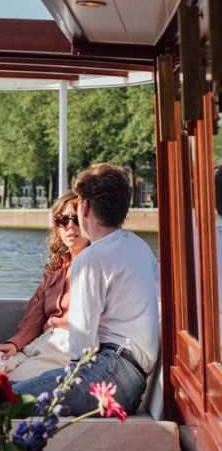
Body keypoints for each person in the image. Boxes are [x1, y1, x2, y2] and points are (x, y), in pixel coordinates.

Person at [13, 163, 160, 415]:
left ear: (84, 207)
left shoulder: (90, 259)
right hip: (133, 382)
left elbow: (83, 347)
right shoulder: (140, 247)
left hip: (108, 374)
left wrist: (65, 378)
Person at [0, 191, 89, 381]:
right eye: (63, 220)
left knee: (5, 384)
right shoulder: (55, 268)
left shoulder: (98, 267)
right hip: (37, 343)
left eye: (77, 219)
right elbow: (35, 316)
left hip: (66, 349)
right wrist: (14, 344)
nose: (70, 226)